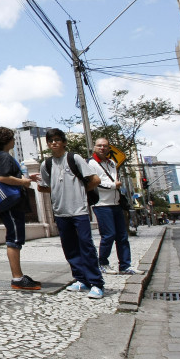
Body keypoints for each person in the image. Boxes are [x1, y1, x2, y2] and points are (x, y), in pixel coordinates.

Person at [37, 128, 104, 299]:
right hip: (60, 212)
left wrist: (80, 191)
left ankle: (96, 282)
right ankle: (81, 279)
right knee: (70, 248)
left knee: (86, 246)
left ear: (64, 142)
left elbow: (95, 180)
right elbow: (43, 186)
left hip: (78, 210)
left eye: (57, 140)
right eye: (51, 140)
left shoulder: (74, 158)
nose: (54, 143)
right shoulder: (47, 164)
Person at [0, 127, 42, 290]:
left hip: (9, 204)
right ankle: (17, 278)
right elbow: (3, 177)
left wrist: (25, 178)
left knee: (15, 238)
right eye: (12, 138)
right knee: (14, 239)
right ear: (6, 141)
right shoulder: (4, 157)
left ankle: (19, 276)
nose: (13, 140)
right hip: (11, 204)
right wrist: (23, 182)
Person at [88, 137, 140, 276]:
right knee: (108, 235)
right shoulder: (91, 164)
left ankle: (125, 265)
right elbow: (94, 183)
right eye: (99, 146)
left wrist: (116, 186)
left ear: (109, 148)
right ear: (94, 148)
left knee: (122, 236)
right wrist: (113, 185)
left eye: (105, 146)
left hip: (115, 203)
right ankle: (103, 263)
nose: (102, 148)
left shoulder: (111, 163)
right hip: (102, 204)